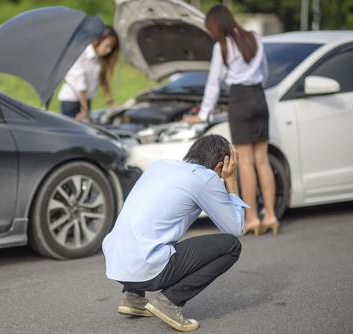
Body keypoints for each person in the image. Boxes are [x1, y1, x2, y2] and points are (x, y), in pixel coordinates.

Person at [102, 134, 247, 332]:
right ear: (222, 164)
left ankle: (133, 296)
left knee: (153, 229)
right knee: (231, 246)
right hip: (147, 270)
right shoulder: (205, 178)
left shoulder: (159, 166)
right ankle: (169, 301)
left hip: (115, 263)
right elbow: (235, 228)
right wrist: (231, 181)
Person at [184, 4, 279, 236]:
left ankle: (252, 218)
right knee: (262, 160)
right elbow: (264, 72)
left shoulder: (222, 46)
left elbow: (214, 84)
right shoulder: (254, 37)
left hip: (239, 99)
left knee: (245, 162)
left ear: (216, 25)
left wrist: (203, 114)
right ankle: (271, 215)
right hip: (258, 96)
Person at [58, 25, 119, 121]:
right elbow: (80, 83)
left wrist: (111, 102)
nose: (109, 50)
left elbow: (103, 81)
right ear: (98, 40)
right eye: (107, 46)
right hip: (71, 101)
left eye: (112, 47)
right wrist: (84, 109)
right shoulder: (81, 54)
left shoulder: (99, 58)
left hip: (86, 100)